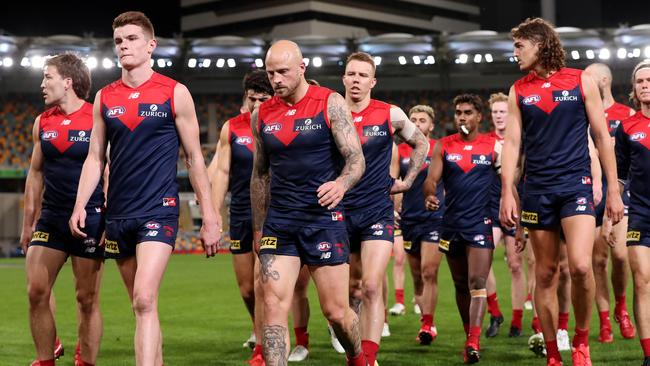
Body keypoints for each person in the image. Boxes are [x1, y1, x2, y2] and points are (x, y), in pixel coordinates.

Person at [69, 11, 221, 366]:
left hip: (159, 209)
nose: (124, 45)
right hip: (118, 213)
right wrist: (80, 205)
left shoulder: (174, 93)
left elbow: (195, 159)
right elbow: (95, 158)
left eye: (132, 38)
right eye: (119, 40)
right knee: (142, 308)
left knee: (144, 298)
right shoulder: (105, 97)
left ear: (151, 45)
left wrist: (210, 214)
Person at [500, 18, 624, 366]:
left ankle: (582, 342)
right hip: (537, 189)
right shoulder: (518, 90)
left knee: (582, 267)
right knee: (545, 273)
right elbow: (511, 144)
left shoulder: (581, 79)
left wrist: (613, 189)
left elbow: (602, 138)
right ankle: (553, 353)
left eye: (519, 45)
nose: (515, 53)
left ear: (539, 44)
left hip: (576, 185)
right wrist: (507, 191)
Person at [250, 40, 366, 366]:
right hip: (281, 222)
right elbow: (259, 176)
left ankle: (357, 357)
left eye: (283, 71)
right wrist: (259, 227)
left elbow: (356, 160)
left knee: (336, 312)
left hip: (323, 221)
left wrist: (342, 183)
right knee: (273, 303)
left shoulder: (330, 103)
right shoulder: (261, 115)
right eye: (271, 73)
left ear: (302, 68)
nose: (276, 79)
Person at [342, 51, 428, 365]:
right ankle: (353, 350)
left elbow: (422, 142)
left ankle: (368, 356)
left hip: (377, 210)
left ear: (373, 81)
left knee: (372, 284)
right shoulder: (330, 113)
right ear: (344, 78)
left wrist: (408, 180)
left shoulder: (389, 114)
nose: (356, 80)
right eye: (351, 74)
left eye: (363, 75)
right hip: (339, 212)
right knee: (349, 290)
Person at [23, 54, 105, 366]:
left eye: (48, 77)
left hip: (91, 219)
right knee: (36, 291)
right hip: (52, 219)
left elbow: (109, 169)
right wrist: (28, 221)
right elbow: (36, 173)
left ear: (68, 82)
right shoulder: (42, 121)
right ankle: (46, 359)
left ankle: (85, 362)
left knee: (86, 299)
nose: (42, 84)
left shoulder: (97, 117)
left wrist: (108, 215)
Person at [424, 94, 499, 364]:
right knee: (459, 284)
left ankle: (473, 342)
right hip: (451, 224)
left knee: (477, 281)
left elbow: (508, 182)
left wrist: (512, 207)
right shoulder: (443, 146)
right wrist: (430, 195)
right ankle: (470, 335)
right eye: (458, 113)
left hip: (480, 223)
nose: (462, 117)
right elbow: (431, 180)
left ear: (479, 116)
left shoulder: (493, 146)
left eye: (468, 112)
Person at [209, 69, 273, 365]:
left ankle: (262, 348)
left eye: (263, 98)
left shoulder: (278, 124)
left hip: (273, 215)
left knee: (263, 285)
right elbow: (221, 174)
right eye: (252, 98)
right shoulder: (231, 128)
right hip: (241, 215)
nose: (257, 104)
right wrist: (212, 214)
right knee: (247, 288)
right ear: (245, 98)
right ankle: (257, 325)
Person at [584, 62, 636, 343]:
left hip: (620, 190)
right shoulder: (583, 113)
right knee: (598, 260)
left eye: (589, 75)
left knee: (619, 256)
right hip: (591, 191)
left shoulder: (625, 114)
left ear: (603, 80)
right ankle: (604, 321)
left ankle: (621, 306)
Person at [399, 105, 445, 345]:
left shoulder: (439, 148)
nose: (417, 123)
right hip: (409, 219)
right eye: (413, 119)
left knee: (429, 271)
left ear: (431, 125)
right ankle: (424, 317)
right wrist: (394, 209)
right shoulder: (399, 150)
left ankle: (428, 324)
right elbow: (394, 181)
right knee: (417, 276)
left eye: (422, 120)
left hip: (435, 218)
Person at [615, 59, 650, 366]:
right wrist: (613, 201)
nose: (645, 84)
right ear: (634, 89)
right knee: (641, 280)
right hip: (640, 213)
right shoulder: (626, 127)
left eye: (649, 80)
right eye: (640, 81)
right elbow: (621, 174)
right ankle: (648, 353)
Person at [484, 92, 524, 338]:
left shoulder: (520, 141)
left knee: (516, 265)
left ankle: (517, 322)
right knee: (483, 263)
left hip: (517, 210)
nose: (499, 116)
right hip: (490, 208)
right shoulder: (485, 141)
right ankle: (495, 312)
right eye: (495, 112)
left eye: (503, 111)